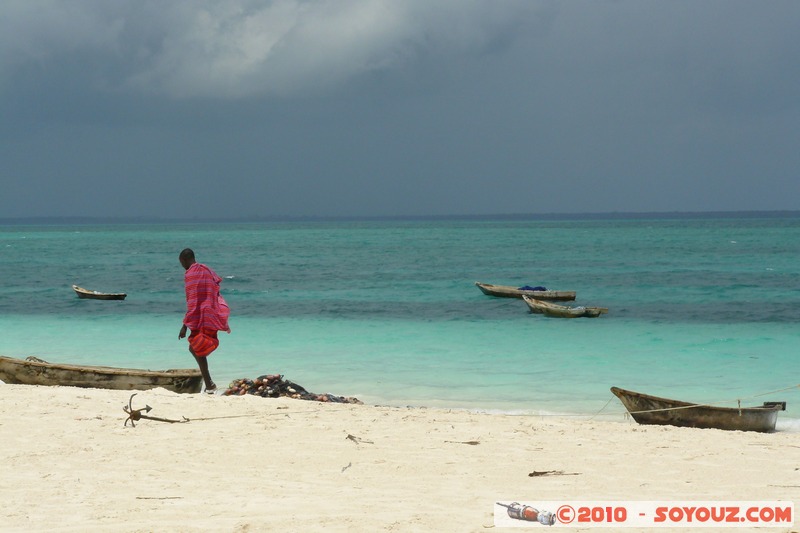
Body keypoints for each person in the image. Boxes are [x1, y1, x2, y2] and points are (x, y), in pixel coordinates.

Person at [178, 248, 230, 393]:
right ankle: (209, 384)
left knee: (195, 348)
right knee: (196, 348)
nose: (182, 266)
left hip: (201, 316)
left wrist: (185, 326)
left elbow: (193, 301)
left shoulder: (191, 274)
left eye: (181, 263)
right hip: (210, 312)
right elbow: (214, 289)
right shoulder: (205, 269)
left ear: (184, 260)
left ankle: (209, 385)